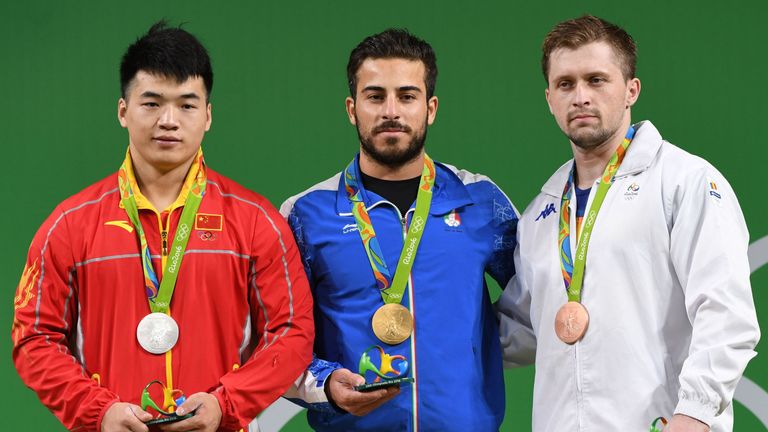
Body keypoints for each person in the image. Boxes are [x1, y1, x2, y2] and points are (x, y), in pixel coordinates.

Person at [11, 21, 314, 432]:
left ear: (207, 116)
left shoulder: (256, 221)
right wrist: (97, 411)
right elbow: (34, 339)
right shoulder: (69, 225)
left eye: (187, 105)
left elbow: (292, 331)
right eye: (151, 103)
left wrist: (227, 403)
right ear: (123, 111)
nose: (169, 120)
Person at [497, 15, 760, 432]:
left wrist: (694, 416)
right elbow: (520, 331)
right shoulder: (541, 213)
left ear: (631, 90)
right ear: (549, 98)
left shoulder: (684, 181)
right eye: (566, 84)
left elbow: (727, 314)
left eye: (597, 79)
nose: (580, 96)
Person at [279, 29, 519, 431]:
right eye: (375, 96)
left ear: (431, 108)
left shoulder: (480, 202)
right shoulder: (306, 213)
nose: (391, 110)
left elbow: (542, 301)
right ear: (352, 109)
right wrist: (324, 384)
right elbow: (278, 338)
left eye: (407, 96)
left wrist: (477, 351)